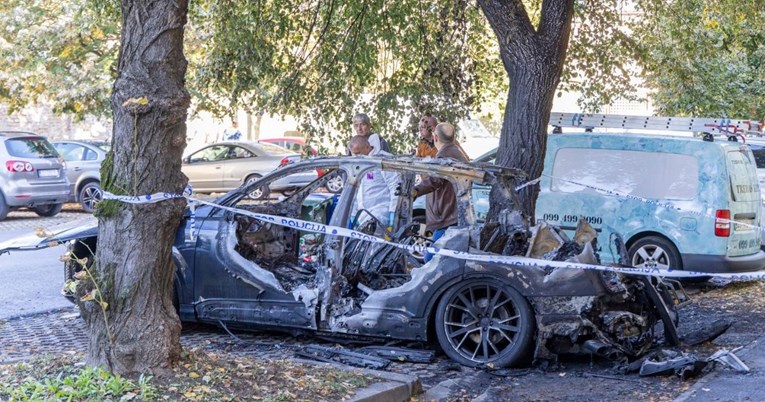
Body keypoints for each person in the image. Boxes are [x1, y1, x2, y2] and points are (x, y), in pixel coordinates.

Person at [412, 122, 470, 262]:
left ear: (435, 137)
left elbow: (434, 180)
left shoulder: (444, 156)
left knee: (430, 259)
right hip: (452, 215)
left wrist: (415, 191)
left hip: (446, 217)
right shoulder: (457, 152)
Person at [348, 135, 399, 233]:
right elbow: (356, 190)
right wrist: (353, 214)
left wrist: (393, 212)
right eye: (353, 154)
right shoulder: (359, 162)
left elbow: (395, 186)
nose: (356, 157)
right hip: (362, 215)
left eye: (358, 153)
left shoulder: (382, 160)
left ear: (367, 147)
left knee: (376, 246)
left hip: (380, 214)